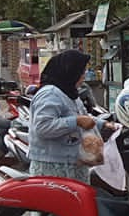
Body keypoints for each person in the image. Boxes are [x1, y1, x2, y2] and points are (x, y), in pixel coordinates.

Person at [28, 48, 96, 182]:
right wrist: (75, 121)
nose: (84, 76)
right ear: (70, 72)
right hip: (52, 168)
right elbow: (43, 127)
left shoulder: (70, 93)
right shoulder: (50, 93)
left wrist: (104, 124)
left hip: (72, 165)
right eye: (81, 72)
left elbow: (83, 117)